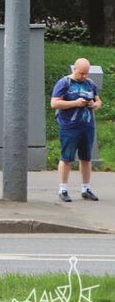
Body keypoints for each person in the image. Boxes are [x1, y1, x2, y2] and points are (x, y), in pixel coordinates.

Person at [51, 58, 103, 202]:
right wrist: (75, 103)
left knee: (86, 158)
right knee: (67, 158)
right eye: (82, 73)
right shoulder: (64, 83)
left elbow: (99, 101)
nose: (84, 76)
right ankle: (63, 188)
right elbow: (54, 103)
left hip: (87, 127)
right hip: (69, 127)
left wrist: (94, 104)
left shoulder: (90, 84)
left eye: (86, 73)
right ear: (75, 69)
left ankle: (86, 188)